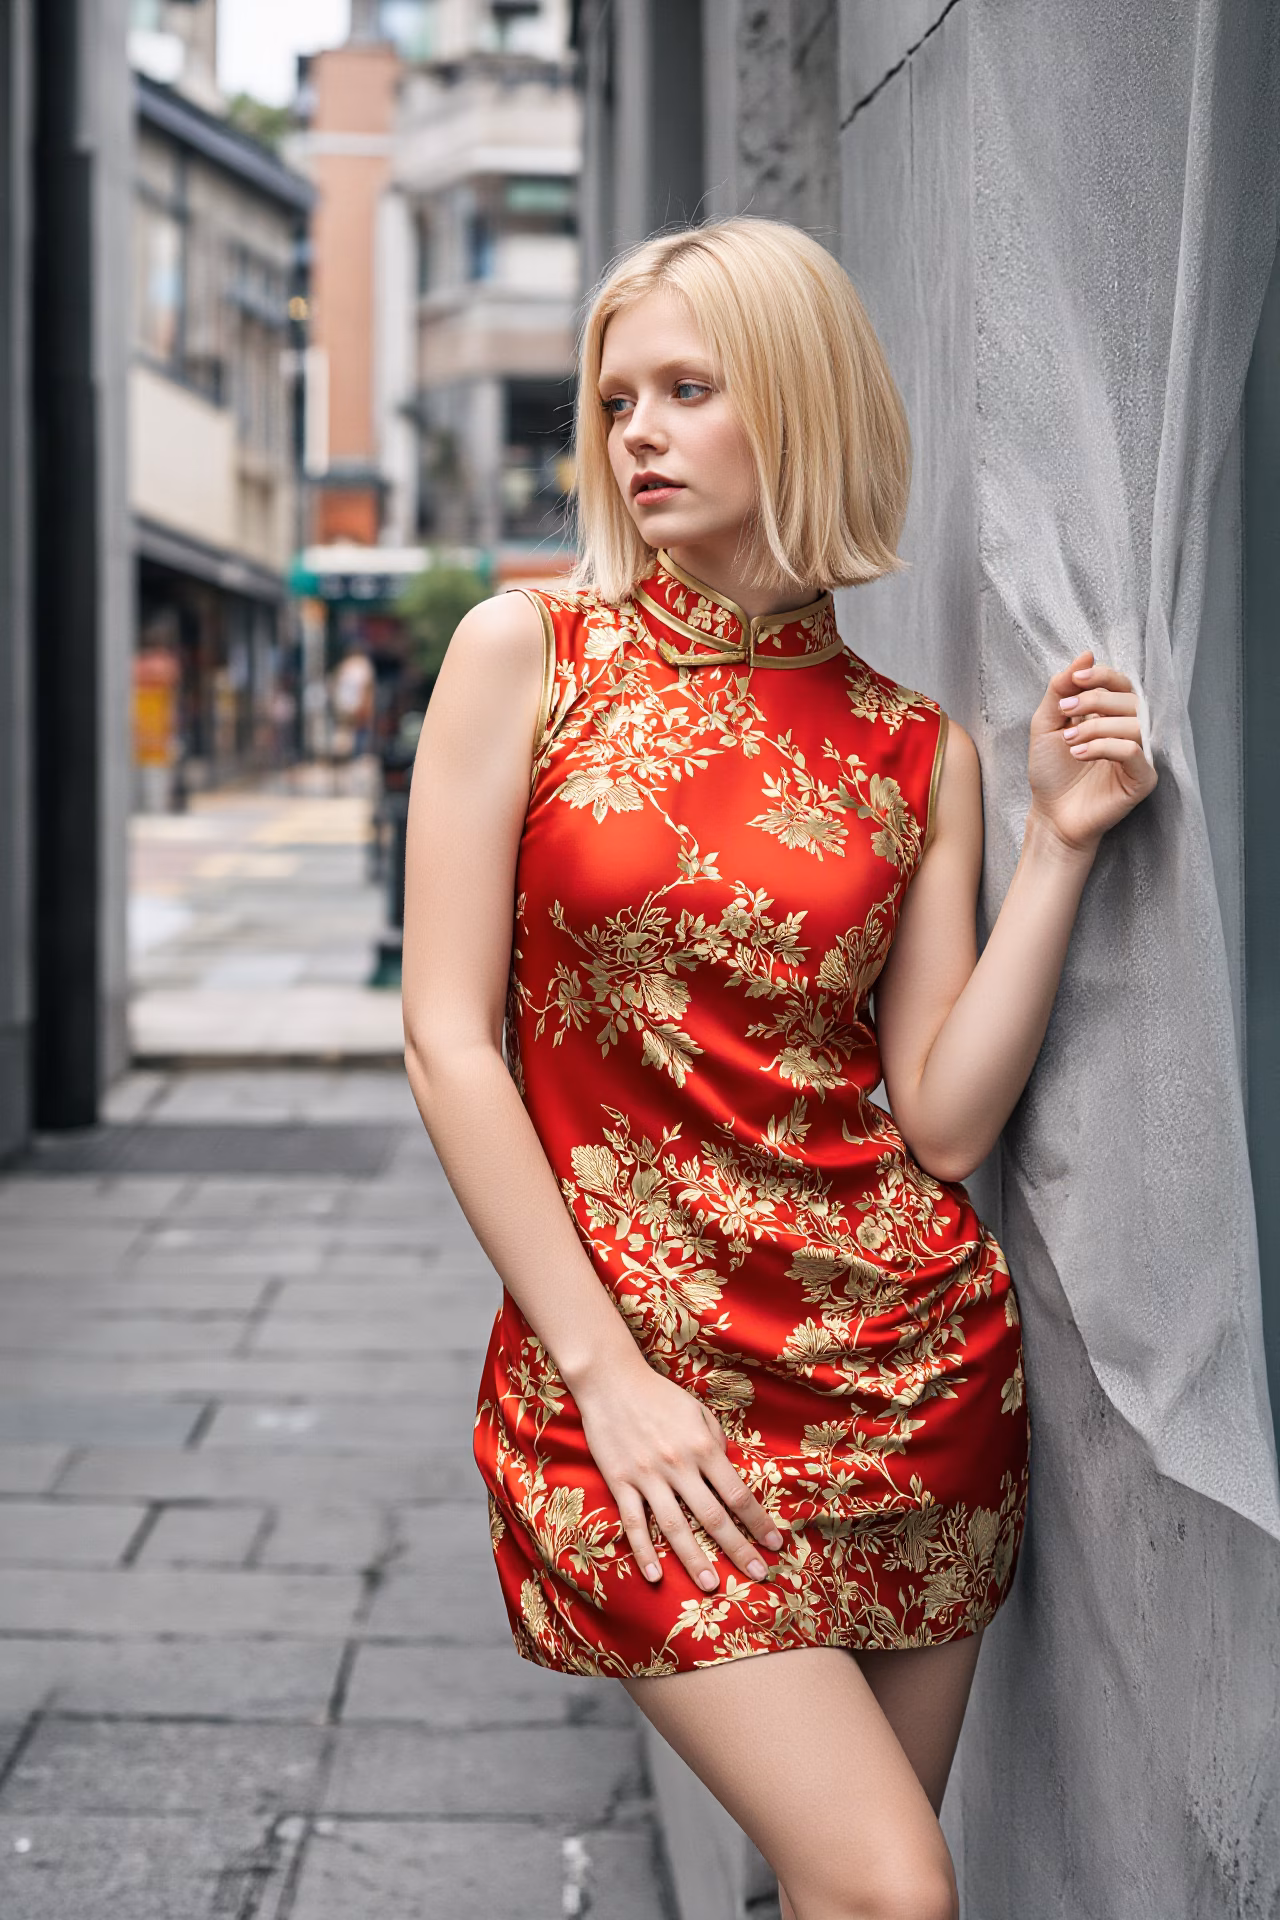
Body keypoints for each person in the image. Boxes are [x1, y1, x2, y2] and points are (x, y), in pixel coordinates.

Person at [402, 219, 1156, 1920]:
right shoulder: (527, 660)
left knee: (817, 1895)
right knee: (894, 1889)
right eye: (617, 402)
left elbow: (946, 1116)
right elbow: (450, 1039)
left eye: (688, 389)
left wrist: (1053, 844)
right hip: (634, 1391)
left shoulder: (916, 747)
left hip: (907, 1386)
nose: (639, 434)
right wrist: (605, 1376)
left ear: (800, 408)